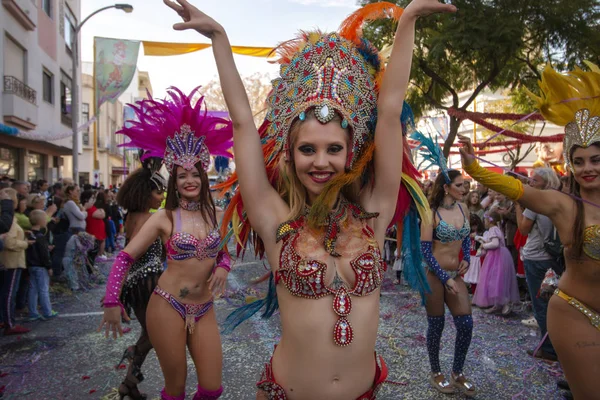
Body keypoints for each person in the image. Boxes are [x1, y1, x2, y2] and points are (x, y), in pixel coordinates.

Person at [164, 1, 455, 399]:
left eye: (334, 148)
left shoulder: (374, 213)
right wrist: (220, 39)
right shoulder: (274, 219)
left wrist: (406, 24)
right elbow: (243, 124)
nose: (321, 162)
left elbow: (388, 114)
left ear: (351, 152)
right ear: (288, 154)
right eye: (308, 150)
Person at [457, 61, 600, 400]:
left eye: (596, 159)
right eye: (578, 161)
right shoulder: (566, 206)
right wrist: (474, 167)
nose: (587, 168)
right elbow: (519, 191)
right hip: (575, 312)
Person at [99, 86, 233, 400]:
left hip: (204, 308)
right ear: (174, 179)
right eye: (182, 175)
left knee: (212, 389)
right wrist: (110, 302)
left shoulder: (217, 215)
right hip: (167, 306)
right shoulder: (163, 218)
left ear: (203, 177)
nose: (190, 180)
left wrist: (224, 267)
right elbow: (125, 258)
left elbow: (223, 252)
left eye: (195, 174)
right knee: (176, 389)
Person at [114, 158, 167, 400]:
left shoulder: (133, 214)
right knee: (155, 334)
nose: (161, 195)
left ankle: (130, 383)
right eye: (158, 191)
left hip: (139, 283)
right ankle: (132, 363)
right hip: (147, 282)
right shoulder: (147, 218)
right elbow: (133, 251)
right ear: (146, 192)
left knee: (152, 332)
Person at [419, 170, 475, 396]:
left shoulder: (464, 209)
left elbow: (466, 239)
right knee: (436, 326)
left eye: (465, 185)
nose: (464, 189)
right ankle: (436, 373)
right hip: (434, 275)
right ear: (446, 187)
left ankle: (457, 372)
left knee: (466, 324)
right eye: (460, 185)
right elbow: (425, 250)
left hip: (455, 274)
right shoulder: (430, 213)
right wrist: (444, 277)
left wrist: (467, 259)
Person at [515, 167, 561, 361]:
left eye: (535, 180)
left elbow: (523, 229)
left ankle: (548, 350)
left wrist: (519, 204)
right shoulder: (558, 199)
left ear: (546, 183)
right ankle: (556, 346)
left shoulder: (535, 203)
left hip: (536, 258)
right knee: (553, 304)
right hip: (555, 257)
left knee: (541, 305)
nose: (530, 183)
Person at [472, 211, 520, 315]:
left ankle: (505, 303)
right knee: (495, 279)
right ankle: (497, 304)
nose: (484, 222)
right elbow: (489, 239)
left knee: (498, 279)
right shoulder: (493, 229)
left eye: (485, 220)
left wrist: (484, 246)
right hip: (496, 256)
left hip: (497, 257)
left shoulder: (493, 229)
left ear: (490, 221)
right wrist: (478, 238)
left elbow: (495, 244)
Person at [0, 188, 30, 335]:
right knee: (9, 293)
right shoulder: (9, 219)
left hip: (10, 261)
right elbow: (9, 242)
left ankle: (5, 320)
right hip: (11, 262)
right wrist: (25, 243)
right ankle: (9, 323)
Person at [25, 210, 58, 321]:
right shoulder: (40, 236)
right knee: (44, 289)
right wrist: (48, 266)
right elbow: (43, 253)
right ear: (40, 221)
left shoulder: (29, 235)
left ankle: (33, 312)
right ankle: (47, 311)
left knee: (32, 289)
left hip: (31, 265)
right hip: (41, 266)